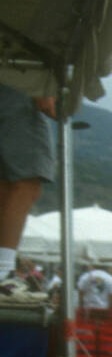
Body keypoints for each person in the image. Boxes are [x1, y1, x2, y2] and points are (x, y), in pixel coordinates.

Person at [0, 84, 55, 301]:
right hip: (21, 73)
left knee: (7, 181)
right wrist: (44, 83)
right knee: (26, 180)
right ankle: (3, 275)